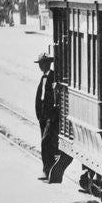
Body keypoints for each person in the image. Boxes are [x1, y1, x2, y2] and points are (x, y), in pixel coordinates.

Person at [34, 50, 59, 181]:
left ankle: (46, 170)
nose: (41, 66)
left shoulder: (54, 77)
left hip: (50, 117)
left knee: (45, 142)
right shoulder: (43, 78)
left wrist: (52, 117)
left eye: (42, 64)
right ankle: (48, 169)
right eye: (40, 64)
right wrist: (39, 115)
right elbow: (39, 98)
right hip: (43, 117)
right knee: (45, 143)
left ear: (48, 64)